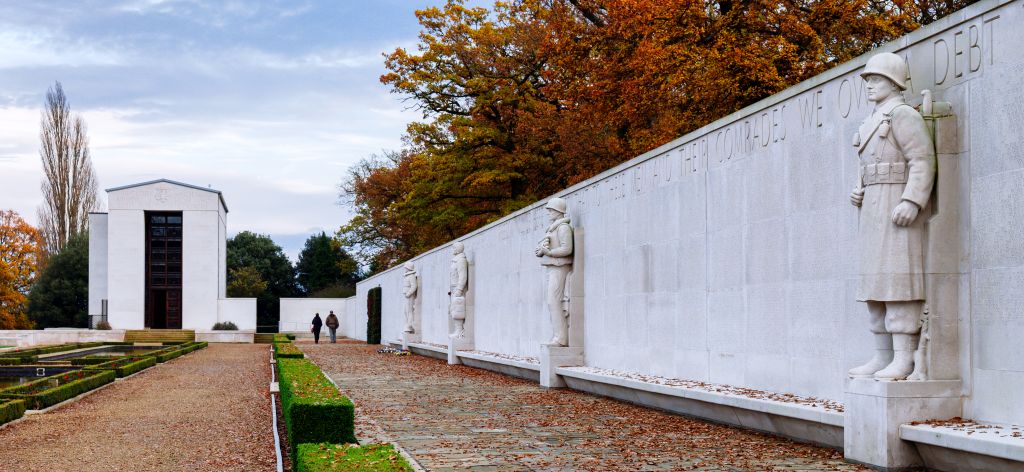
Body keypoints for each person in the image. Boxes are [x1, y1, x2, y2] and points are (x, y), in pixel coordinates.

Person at [848, 52, 935, 380]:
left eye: (877, 79)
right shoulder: (871, 120)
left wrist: (912, 200)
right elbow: (866, 165)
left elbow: (922, 160)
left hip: (895, 204)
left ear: (894, 82)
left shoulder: (901, 115)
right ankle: (882, 356)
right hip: (873, 207)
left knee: (897, 279)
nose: (870, 85)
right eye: (868, 80)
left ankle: (904, 358)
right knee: (874, 283)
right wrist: (857, 191)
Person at [534, 197, 574, 346]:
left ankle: (561, 338)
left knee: (554, 301)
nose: (549, 213)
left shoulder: (563, 228)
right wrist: (541, 251)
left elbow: (567, 249)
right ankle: (558, 336)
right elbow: (547, 248)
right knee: (552, 302)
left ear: (559, 211)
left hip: (559, 268)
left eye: (551, 210)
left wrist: (549, 252)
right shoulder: (553, 228)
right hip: (552, 268)